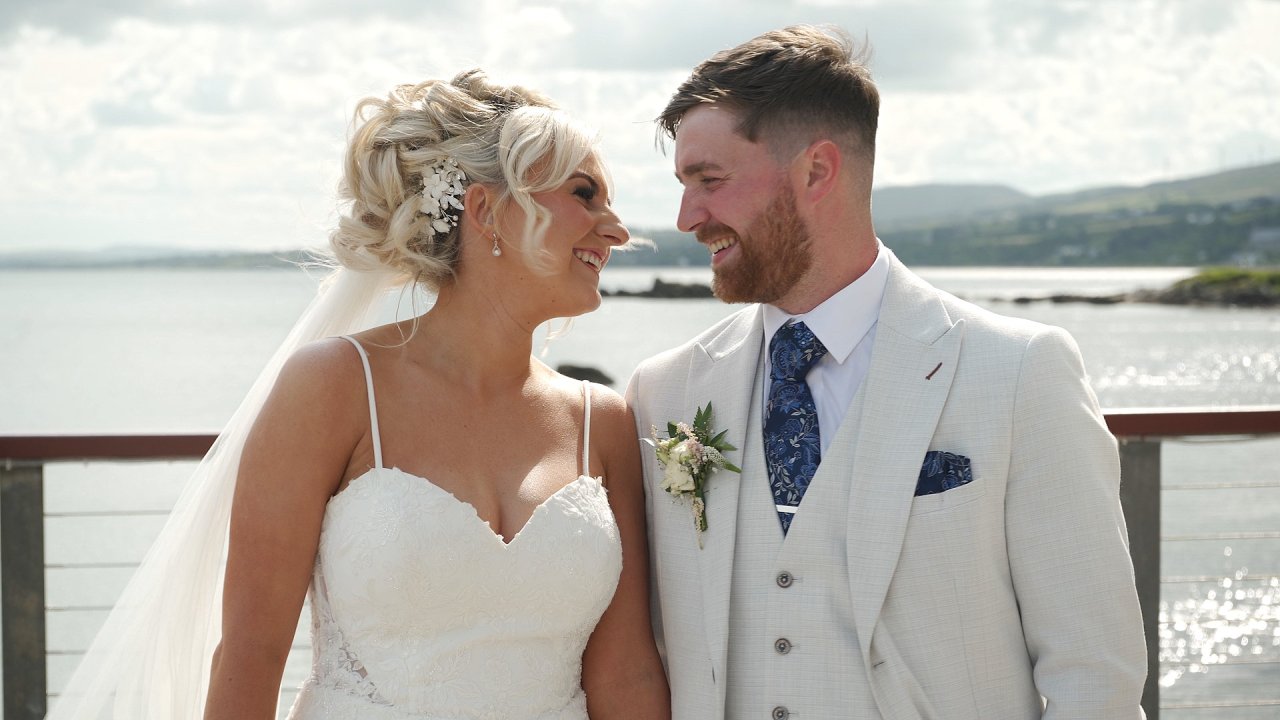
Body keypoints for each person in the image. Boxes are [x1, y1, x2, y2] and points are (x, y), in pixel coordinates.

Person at [47, 70, 669, 720]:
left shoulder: (606, 422)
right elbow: (251, 654)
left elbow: (627, 677)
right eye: (585, 194)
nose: (617, 229)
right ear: (487, 212)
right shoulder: (335, 387)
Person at [626, 25, 1147, 720]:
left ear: (817, 171)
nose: (688, 217)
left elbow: (1095, 676)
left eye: (709, 181)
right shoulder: (665, 391)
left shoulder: (1020, 371)